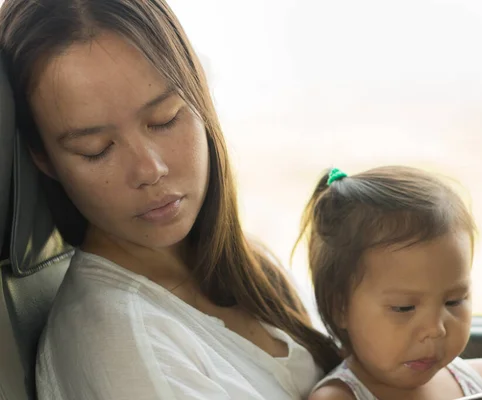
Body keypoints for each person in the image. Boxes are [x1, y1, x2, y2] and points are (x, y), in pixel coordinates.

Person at [0, 0, 341, 399]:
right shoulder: (125, 347)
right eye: (96, 148)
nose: (150, 169)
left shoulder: (248, 269)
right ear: (44, 159)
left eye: (165, 119)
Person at [296, 167, 482, 400]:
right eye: (404, 307)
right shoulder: (337, 398)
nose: (436, 329)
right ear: (340, 308)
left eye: (453, 301)